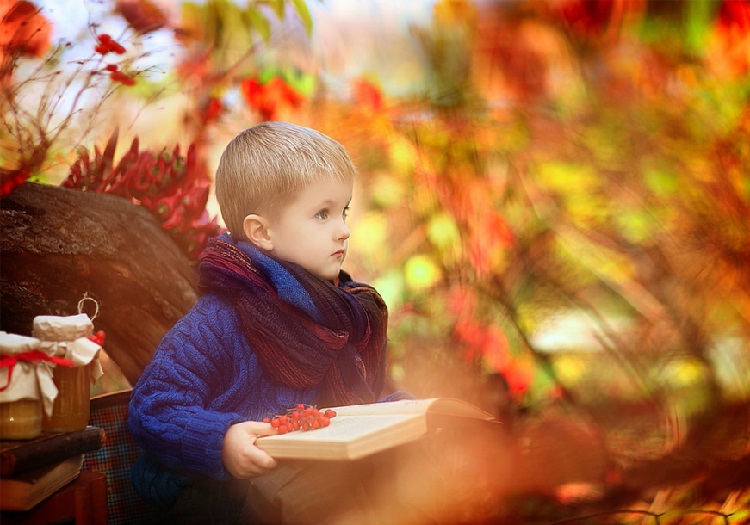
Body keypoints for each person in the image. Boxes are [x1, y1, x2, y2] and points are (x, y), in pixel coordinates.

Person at [127, 122, 411, 524]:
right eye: (322, 214)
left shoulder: (340, 313)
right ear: (262, 232)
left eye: (343, 211)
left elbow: (342, 414)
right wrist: (221, 440)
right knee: (315, 497)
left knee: (391, 479)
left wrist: (397, 416)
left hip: (303, 473)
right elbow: (151, 406)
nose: (344, 230)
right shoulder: (221, 318)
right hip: (216, 493)